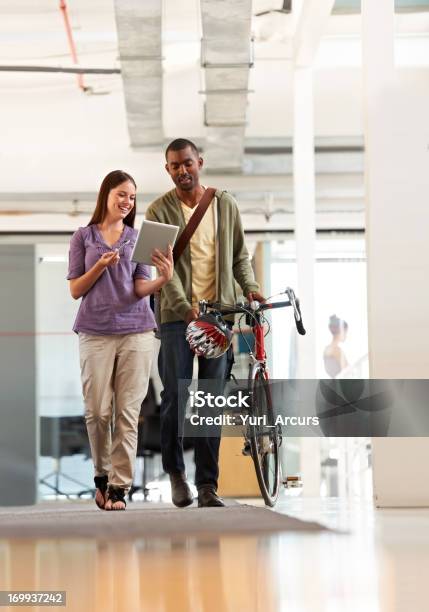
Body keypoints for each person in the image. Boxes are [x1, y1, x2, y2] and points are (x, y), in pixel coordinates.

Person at [146, 138, 265, 508]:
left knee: (211, 400)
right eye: (174, 166)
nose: (182, 170)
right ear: (168, 170)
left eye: (187, 163)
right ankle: (177, 475)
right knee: (175, 397)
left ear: (200, 162)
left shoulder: (225, 204)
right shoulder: (155, 210)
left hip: (220, 315)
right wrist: (184, 309)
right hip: (175, 318)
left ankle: (208, 485)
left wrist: (252, 289)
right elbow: (159, 268)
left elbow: (239, 258)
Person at [67, 170, 173, 511]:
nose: (127, 202)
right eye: (121, 195)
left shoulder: (137, 237)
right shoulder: (83, 237)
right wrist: (99, 266)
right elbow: (75, 290)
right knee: (97, 412)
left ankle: (118, 488)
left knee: (128, 414)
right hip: (95, 332)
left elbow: (139, 287)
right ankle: (101, 473)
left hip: (136, 331)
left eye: (131, 197)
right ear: (106, 196)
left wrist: (163, 279)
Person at [323, 314, 349, 378]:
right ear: (341, 331)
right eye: (346, 332)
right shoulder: (337, 350)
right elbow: (347, 371)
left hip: (332, 384)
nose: (346, 336)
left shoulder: (326, 349)